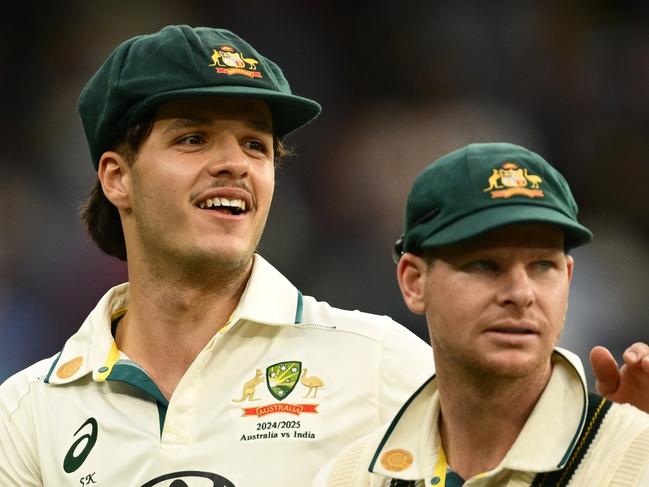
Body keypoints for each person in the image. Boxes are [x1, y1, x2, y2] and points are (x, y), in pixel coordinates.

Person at [0, 26, 646, 487]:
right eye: (193, 138)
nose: (234, 164)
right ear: (116, 177)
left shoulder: (385, 365)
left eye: (256, 145)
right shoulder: (27, 413)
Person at [314, 143, 649, 486]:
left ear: (567, 276)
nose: (521, 293)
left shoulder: (639, 460)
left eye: (542, 265)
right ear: (414, 282)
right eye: (485, 264)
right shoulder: (351, 477)